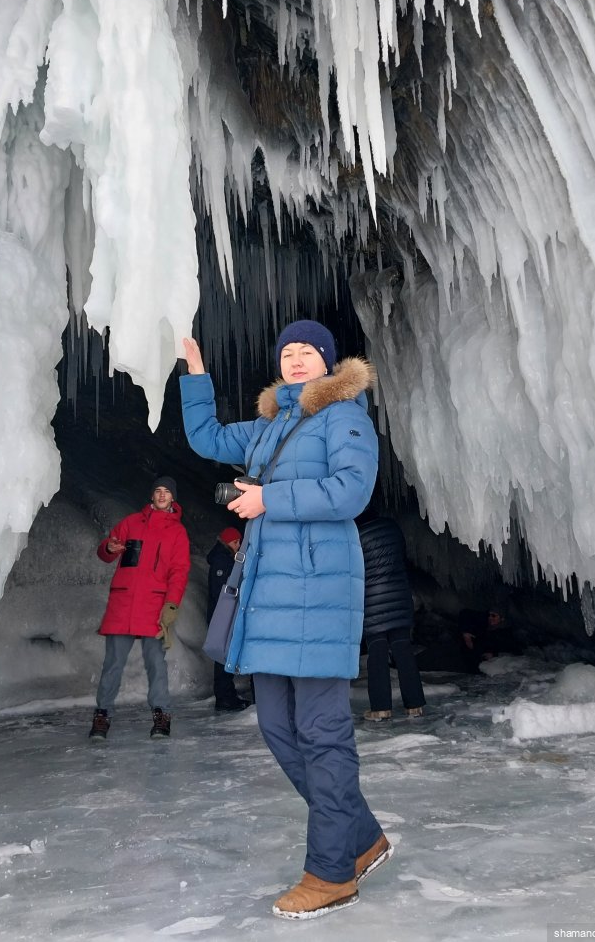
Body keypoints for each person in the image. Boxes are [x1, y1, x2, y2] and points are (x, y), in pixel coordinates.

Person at [180, 320, 392, 920]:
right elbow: (205, 437)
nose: (297, 360)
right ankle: (363, 836)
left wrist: (270, 499)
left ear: (327, 363)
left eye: (308, 353)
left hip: (318, 595)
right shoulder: (271, 425)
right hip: (269, 597)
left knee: (322, 734)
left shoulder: (344, 416)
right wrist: (196, 372)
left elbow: (351, 490)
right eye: (288, 353)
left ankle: (331, 873)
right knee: (277, 726)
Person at [89, 477, 191, 741]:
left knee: (156, 663)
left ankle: (161, 714)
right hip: (123, 604)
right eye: (157, 491)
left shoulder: (177, 533)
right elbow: (106, 551)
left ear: (173, 498)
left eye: (167, 492)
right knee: (112, 663)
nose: (161, 495)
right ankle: (102, 715)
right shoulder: (131, 522)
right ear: (152, 495)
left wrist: (171, 604)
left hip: (153, 606)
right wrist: (109, 548)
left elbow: (179, 572)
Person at [357, 514, 426, 722]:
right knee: (404, 650)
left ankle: (380, 708)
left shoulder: (357, 535)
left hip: (373, 600)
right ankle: (414, 705)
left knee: (377, 651)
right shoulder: (393, 527)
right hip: (400, 595)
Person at [205, 526, 250, 711]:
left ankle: (226, 696)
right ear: (226, 542)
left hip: (222, 615)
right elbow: (221, 592)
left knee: (224, 655)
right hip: (223, 616)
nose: (238, 545)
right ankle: (225, 698)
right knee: (223, 656)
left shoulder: (223, 558)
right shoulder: (222, 561)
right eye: (235, 542)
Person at [456, 607, 509, 673]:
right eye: (489, 615)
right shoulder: (482, 617)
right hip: (462, 643)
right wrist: (465, 632)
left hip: (478, 651)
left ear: (502, 618)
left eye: (493, 616)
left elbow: (501, 645)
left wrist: (492, 653)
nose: (490, 617)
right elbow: (464, 612)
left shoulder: (504, 631)